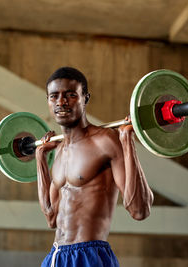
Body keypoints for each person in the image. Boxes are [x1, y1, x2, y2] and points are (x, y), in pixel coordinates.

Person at [36, 67, 153, 267]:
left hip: (89, 256)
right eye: (54, 96)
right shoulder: (58, 151)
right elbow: (51, 218)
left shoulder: (104, 141)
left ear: (85, 98)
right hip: (56, 257)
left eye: (71, 95)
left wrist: (126, 141)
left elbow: (139, 210)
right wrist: (40, 159)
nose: (61, 102)